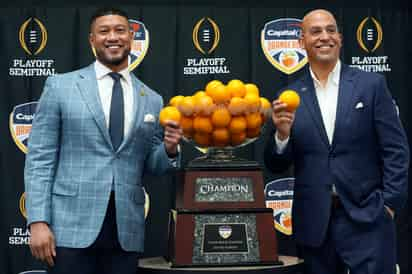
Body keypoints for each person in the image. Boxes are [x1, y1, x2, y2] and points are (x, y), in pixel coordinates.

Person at [24, 7, 182, 274]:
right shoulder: (61, 86)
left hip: (126, 231)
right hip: (69, 228)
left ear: (131, 38)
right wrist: (38, 222)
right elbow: (40, 158)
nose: (113, 37)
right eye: (104, 31)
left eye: (120, 30)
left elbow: (153, 166)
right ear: (92, 40)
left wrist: (168, 148)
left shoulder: (152, 99)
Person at [264, 9, 409, 274]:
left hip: (368, 219)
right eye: (316, 31)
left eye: (331, 30)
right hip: (314, 224)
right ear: (301, 42)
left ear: (340, 39)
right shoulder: (289, 95)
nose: (324, 37)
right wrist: (282, 135)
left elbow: (395, 149)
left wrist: (389, 204)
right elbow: (275, 164)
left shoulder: (371, 85)